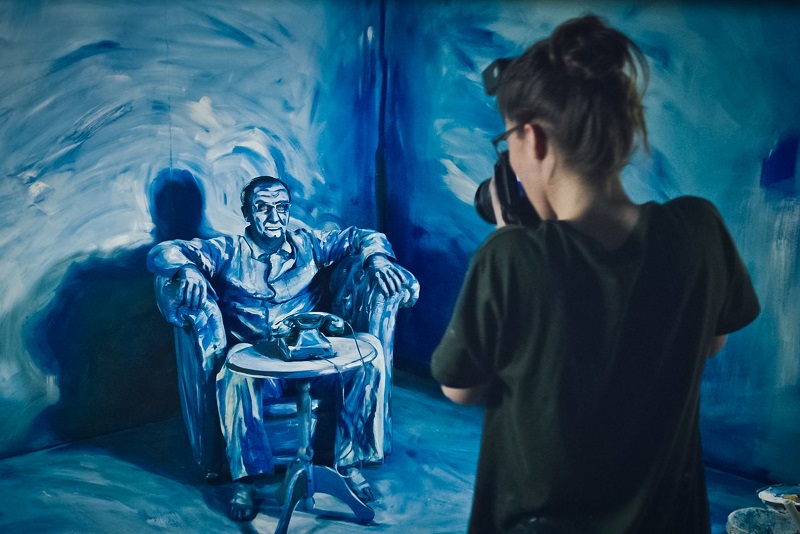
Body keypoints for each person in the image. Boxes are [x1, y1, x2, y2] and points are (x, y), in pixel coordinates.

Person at [430, 14, 760, 534]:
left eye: (507, 142)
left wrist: (511, 237)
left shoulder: (509, 259)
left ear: (533, 139)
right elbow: (710, 343)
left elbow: (461, 389)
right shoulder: (699, 230)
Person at [147, 175, 406, 522]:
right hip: (260, 365)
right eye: (262, 208)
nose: (274, 216)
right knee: (235, 376)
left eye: (282, 207)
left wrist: (378, 259)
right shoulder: (227, 250)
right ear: (246, 213)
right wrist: (187, 268)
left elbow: (365, 236)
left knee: (368, 353)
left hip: (311, 358)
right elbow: (162, 251)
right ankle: (246, 480)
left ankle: (350, 462)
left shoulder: (310, 244)